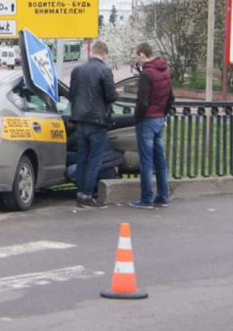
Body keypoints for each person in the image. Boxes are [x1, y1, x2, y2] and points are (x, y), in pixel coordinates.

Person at [69, 40, 119, 208]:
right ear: (104, 54)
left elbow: (72, 94)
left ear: (92, 52)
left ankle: (79, 193)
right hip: (97, 121)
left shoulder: (77, 70)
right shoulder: (104, 70)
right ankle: (88, 196)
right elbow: (111, 96)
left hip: (79, 120)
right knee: (94, 160)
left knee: (82, 158)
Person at [129, 43, 175, 209]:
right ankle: (163, 196)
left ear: (142, 54)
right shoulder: (166, 71)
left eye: (136, 55)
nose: (137, 59)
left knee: (146, 161)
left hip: (146, 120)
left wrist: (138, 118)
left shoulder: (146, 74)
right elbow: (171, 97)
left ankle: (146, 199)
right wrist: (163, 114)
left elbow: (142, 102)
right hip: (159, 119)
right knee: (160, 160)